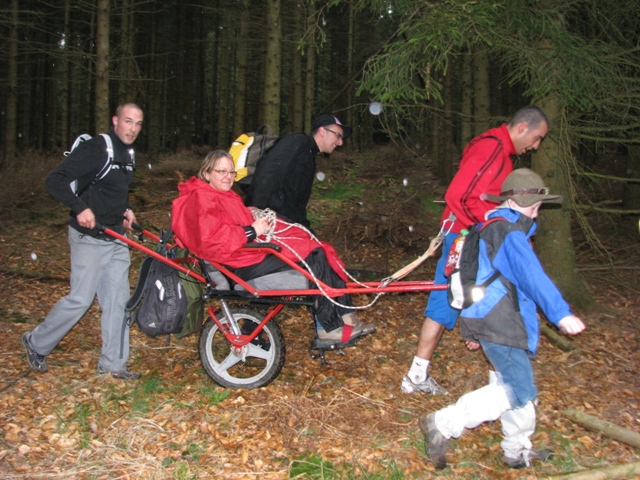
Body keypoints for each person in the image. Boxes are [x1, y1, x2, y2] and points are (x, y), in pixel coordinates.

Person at [419, 168, 586, 470]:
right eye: (536, 206)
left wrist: (472, 327)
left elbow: (478, 277)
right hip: (502, 322)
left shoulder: (493, 227)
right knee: (518, 389)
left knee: (507, 383)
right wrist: (560, 313)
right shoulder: (507, 233)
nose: (537, 213)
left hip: (496, 319)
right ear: (527, 205)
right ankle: (442, 423)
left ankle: (516, 449)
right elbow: (532, 276)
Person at [401, 106, 550, 394]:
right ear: (522, 128)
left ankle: (418, 375)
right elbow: (459, 196)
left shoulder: (498, 151)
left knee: (450, 299)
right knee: (491, 302)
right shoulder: (492, 150)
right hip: (467, 237)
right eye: (537, 137)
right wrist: (494, 230)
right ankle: (499, 385)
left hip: (467, 235)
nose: (536, 145)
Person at [171, 150, 374, 345]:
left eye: (231, 172)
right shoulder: (202, 198)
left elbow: (226, 223)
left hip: (244, 254)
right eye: (221, 172)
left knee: (317, 248)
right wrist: (251, 231)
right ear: (206, 173)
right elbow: (212, 240)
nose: (228, 177)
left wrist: (251, 215)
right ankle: (329, 327)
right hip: (237, 263)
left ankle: (345, 317)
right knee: (314, 254)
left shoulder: (221, 195)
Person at [21, 102, 144, 380]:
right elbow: (55, 179)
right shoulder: (98, 148)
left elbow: (112, 188)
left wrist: (126, 210)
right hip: (88, 238)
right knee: (80, 299)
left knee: (118, 301)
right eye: (128, 121)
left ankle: (113, 364)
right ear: (115, 120)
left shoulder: (128, 152)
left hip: (115, 236)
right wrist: (79, 208)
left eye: (137, 124)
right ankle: (36, 342)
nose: (132, 128)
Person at [244, 114, 352, 229]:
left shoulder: (309, 156)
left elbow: (297, 202)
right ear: (322, 131)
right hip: (268, 220)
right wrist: (255, 208)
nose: (340, 142)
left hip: (286, 222)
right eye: (338, 135)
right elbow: (267, 171)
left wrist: (305, 228)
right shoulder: (297, 142)